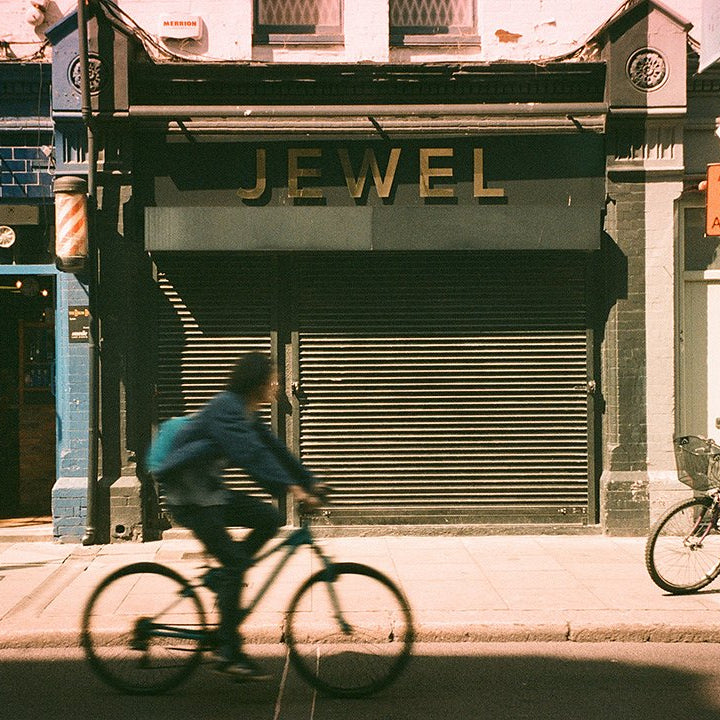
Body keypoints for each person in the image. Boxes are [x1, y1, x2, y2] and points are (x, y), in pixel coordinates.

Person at [153, 352, 322, 680]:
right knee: (234, 564)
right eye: (271, 379)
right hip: (189, 498)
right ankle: (228, 651)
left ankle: (229, 578)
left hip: (211, 493)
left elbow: (273, 449)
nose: (275, 385)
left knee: (270, 519)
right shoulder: (226, 409)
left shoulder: (244, 412)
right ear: (256, 383)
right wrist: (294, 488)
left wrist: (307, 480)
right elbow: (250, 454)